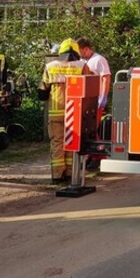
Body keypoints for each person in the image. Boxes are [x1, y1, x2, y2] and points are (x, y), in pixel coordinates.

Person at [38, 39, 90, 183]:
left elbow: (42, 92)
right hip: (75, 111)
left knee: (57, 142)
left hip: (56, 112)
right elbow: (90, 87)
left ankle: (57, 175)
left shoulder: (50, 67)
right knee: (72, 142)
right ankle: (69, 173)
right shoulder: (82, 66)